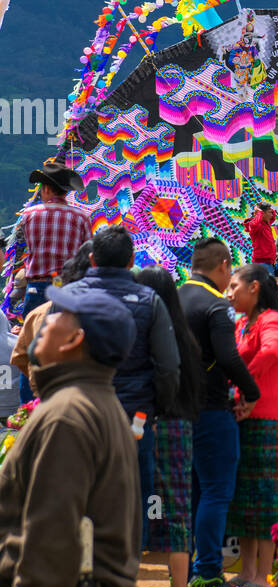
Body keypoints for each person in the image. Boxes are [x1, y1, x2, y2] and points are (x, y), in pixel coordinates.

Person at [0, 283, 140, 587]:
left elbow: (53, 528)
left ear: (73, 338)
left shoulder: (66, 415)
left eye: (56, 314)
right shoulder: (93, 404)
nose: (43, 318)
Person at [81, 227, 180, 537]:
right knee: (135, 487)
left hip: (83, 415)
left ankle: (88, 571)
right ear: (131, 261)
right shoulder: (149, 300)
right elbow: (168, 366)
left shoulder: (69, 298)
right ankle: (127, 571)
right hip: (136, 416)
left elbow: (44, 358)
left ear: (92, 258)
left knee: (85, 489)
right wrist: (157, 410)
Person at [179, 237, 262, 587]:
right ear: (223, 266)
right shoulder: (217, 306)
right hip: (212, 408)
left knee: (196, 490)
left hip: (178, 411)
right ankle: (210, 571)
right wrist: (252, 391)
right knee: (216, 491)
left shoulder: (174, 298)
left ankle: (192, 567)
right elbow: (228, 357)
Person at [135, 266, 203, 587]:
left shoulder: (145, 332)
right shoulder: (187, 335)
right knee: (177, 506)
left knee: (140, 500)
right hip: (183, 426)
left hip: (150, 423)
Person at [225, 264, 278, 587]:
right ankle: (247, 571)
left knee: (264, 499)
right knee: (245, 499)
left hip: (265, 418)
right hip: (243, 418)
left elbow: (271, 351)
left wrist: (245, 390)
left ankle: (263, 575)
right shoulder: (241, 322)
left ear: (254, 288)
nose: (229, 292)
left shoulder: (273, 321)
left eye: (235, 285)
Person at [11, 238, 93, 404]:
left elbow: (19, 357)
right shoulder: (108, 310)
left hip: (45, 395)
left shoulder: (37, 313)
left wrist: (37, 380)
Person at [18, 161, 92, 319]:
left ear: (45, 189)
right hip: (67, 287)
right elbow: (86, 256)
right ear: (65, 192)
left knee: (34, 337)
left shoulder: (28, 215)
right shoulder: (82, 217)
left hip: (36, 287)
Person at [244, 201, 277, 267]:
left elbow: (273, 216)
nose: (272, 215)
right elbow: (254, 224)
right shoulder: (256, 226)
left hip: (268, 262)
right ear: (263, 214)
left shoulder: (266, 223)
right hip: (261, 263)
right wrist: (259, 212)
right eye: (269, 212)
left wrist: (268, 208)